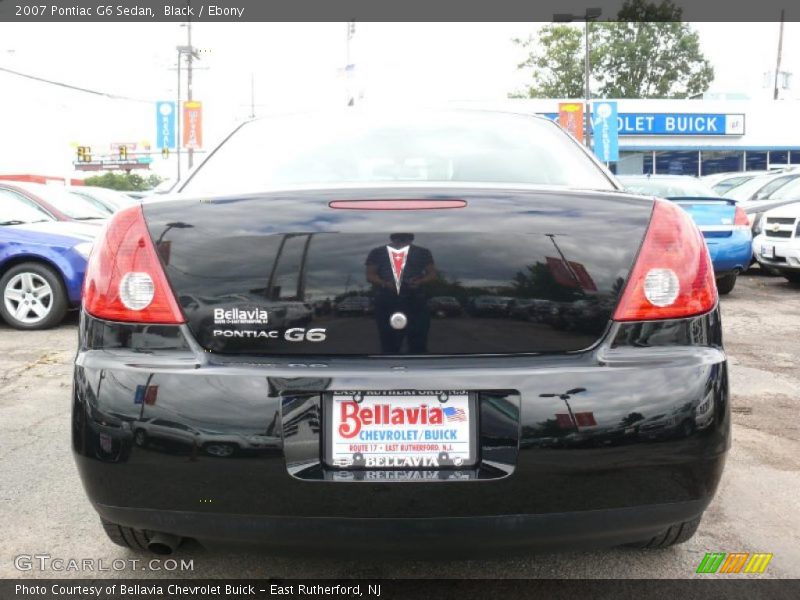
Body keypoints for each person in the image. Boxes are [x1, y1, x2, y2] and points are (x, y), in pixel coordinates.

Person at [365, 233, 436, 353]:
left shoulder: (423, 252)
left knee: (418, 342)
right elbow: (370, 275)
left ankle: (417, 364)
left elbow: (432, 274)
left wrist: (419, 282)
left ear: (411, 239)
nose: (402, 242)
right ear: (393, 239)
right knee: (389, 343)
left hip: (415, 298)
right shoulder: (377, 252)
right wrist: (385, 283)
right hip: (387, 298)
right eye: (399, 239)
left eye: (405, 239)